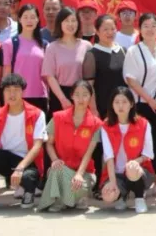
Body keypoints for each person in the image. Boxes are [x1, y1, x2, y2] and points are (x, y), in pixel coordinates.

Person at [0, 73, 46, 213]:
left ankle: (28, 192)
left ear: (23, 92)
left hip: (28, 161)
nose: (12, 94)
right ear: (3, 93)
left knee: (28, 177)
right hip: (7, 159)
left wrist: (20, 168)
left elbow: (37, 145)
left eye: (16, 90)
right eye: (8, 90)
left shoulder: (37, 114)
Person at [123, 12, 156, 198]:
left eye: (153, 26)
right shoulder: (133, 51)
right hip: (139, 104)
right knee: (136, 144)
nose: (150, 29)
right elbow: (130, 80)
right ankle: (134, 182)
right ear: (140, 29)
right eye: (146, 26)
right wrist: (150, 100)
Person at [37, 81, 101, 212]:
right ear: (71, 96)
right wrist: (55, 159)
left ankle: (66, 199)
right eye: (77, 94)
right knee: (56, 169)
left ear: (90, 97)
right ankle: (64, 201)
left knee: (79, 184)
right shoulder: (58, 117)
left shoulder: (96, 123)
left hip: (85, 172)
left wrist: (79, 174)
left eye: (85, 95)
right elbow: (49, 143)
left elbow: (89, 153)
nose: (81, 99)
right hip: (62, 168)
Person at [99, 87, 155, 213]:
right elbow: (108, 157)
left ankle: (139, 198)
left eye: (124, 102)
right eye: (117, 102)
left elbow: (148, 154)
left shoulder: (143, 124)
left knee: (131, 168)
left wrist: (135, 162)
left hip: (139, 171)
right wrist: (112, 183)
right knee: (108, 196)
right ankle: (121, 197)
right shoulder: (106, 126)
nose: (120, 106)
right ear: (112, 105)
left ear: (131, 104)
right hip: (116, 173)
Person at [43, 7, 93, 114]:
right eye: (66, 21)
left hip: (82, 95)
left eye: (73, 20)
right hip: (59, 95)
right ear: (60, 23)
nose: (70, 24)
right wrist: (63, 99)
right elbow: (50, 77)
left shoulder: (87, 46)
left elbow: (91, 76)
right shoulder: (52, 47)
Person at [3, 3, 50, 112]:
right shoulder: (10, 44)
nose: (29, 21)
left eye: (33, 17)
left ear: (38, 20)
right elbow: (6, 73)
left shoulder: (45, 45)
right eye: (25, 17)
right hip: (17, 96)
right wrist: (6, 100)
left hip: (40, 96)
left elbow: (47, 76)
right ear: (19, 19)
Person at [83, 14, 127, 119]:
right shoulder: (92, 54)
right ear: (97, 31)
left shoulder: (123, 51)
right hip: (102, 108)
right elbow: (89, 86)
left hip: (123, 107)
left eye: (113, 29)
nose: (110, 32)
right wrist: (93, 109)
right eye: (105, 29)